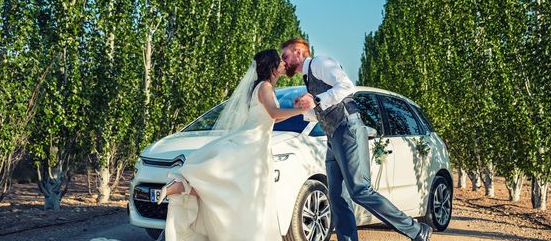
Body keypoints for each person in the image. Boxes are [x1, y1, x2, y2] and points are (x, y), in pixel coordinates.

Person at [282, 38, 433, 241]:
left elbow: (346, 87)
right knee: (337, 197)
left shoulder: (320, 62)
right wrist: (304, 107)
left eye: (285, 56)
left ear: (298, 52)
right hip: (333, 135)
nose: (284, 61)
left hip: (347, 129)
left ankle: (416, 230)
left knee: (360, 190)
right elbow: (322, 109)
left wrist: (316, 99)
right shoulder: (309, 78)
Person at [157, 49, 307, 241]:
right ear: (271, 66)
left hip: (255, 143)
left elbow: (269, 119)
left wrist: (294, 110)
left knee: (232, 192)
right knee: (238, 194)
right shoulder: (265, 87)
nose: (283, 64)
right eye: (279, 61)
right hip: (252, 145)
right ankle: (180, 186)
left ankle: (182, 187)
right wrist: (298, 109)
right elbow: (274, 112)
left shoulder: (260, 87)